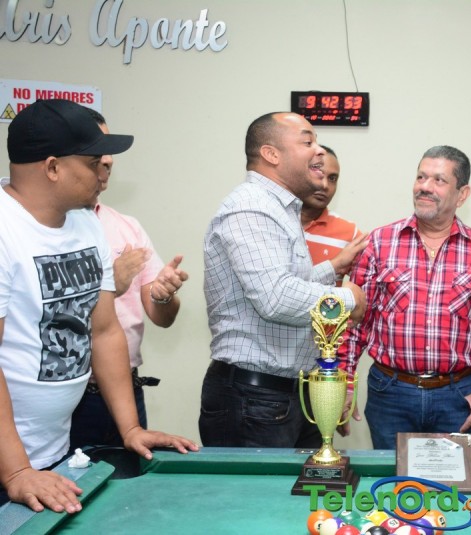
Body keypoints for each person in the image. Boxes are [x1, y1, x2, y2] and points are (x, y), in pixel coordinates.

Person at [0, 99, 197, 514]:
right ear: (52, 168)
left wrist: (131, 428)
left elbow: (104, 331)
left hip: (51, 452)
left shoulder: (85, 223)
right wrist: (16, 470)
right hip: (10, 465)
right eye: (93, 163)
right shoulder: (5, 229)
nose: (104, 172)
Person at [200, 112, 366, 448]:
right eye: (308, 141)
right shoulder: (252, 207)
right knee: (262, 487)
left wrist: (331, 270)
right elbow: (276, 298)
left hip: (280, 395)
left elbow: (287, 280)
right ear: (271, 154)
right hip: (255, 398)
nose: (319, 150)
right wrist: (349, 300)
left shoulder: (280, 208)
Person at [338, 145, 471, 449]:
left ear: (462, 194)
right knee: (392, 478)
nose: (425, 186)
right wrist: (344, 382)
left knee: (454, 480)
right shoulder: (380, 243)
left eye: (439, 180)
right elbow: (355, 325)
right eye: (421, 177)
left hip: (457, 397)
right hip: (390, 394)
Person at [70, 109, 189, 450]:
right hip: (74, 396)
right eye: (99, 148)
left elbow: (162, 317)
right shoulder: (43, 225)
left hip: (127, 389)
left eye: (109, 151)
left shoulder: (126, 226)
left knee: (131, 479)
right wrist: (110, 283)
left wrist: (164, 294)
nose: (109, 159)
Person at [301, 145, 366, 286]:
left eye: (332, 178)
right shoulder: (270, 222)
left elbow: (368, 285)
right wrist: (336, 264)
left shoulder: (350, 233)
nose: (324, 185)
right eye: (317, 173)